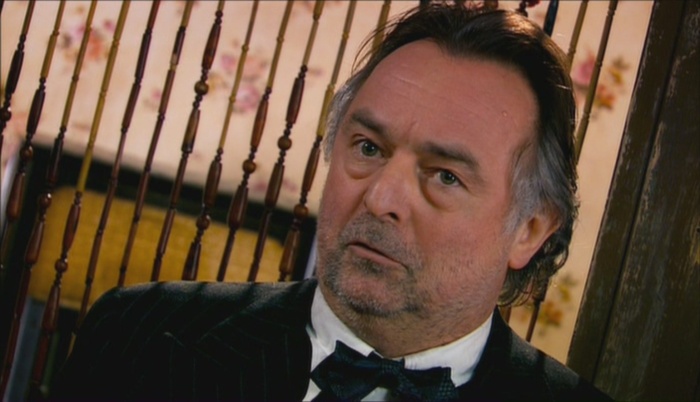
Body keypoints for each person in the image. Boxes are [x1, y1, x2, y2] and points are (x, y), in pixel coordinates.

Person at [50, 3, 612, 401]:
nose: (381, 197)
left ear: (530, 228)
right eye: (368, 147)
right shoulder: (140, 337)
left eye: (444, 176)